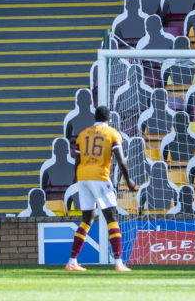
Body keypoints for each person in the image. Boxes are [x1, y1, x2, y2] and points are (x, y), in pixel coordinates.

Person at [65, 106, 137, 272]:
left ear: (95, 119)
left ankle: (72, 261)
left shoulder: (83, 134)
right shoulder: (112, 133)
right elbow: (121, 160)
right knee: (112, 218)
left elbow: (77, 159)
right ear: (109, 119)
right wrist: (129, 181)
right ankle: (119, 263)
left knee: (87, 219)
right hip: (99, 177)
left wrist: (77, 179)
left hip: (83, 177)